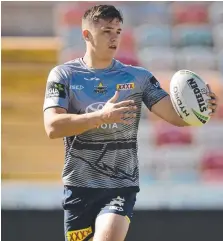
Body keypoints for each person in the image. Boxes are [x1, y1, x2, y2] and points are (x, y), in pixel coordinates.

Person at [43, 4, 218, 241]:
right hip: (79, 188)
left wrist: (200, 109)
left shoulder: (139, 77)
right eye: (107, 31)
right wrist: (100, 117)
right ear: (86, 35)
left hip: (119, 186)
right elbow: (53, 127)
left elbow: (175, 116)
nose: (115, 37)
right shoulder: (64, 75)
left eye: (118, 31)